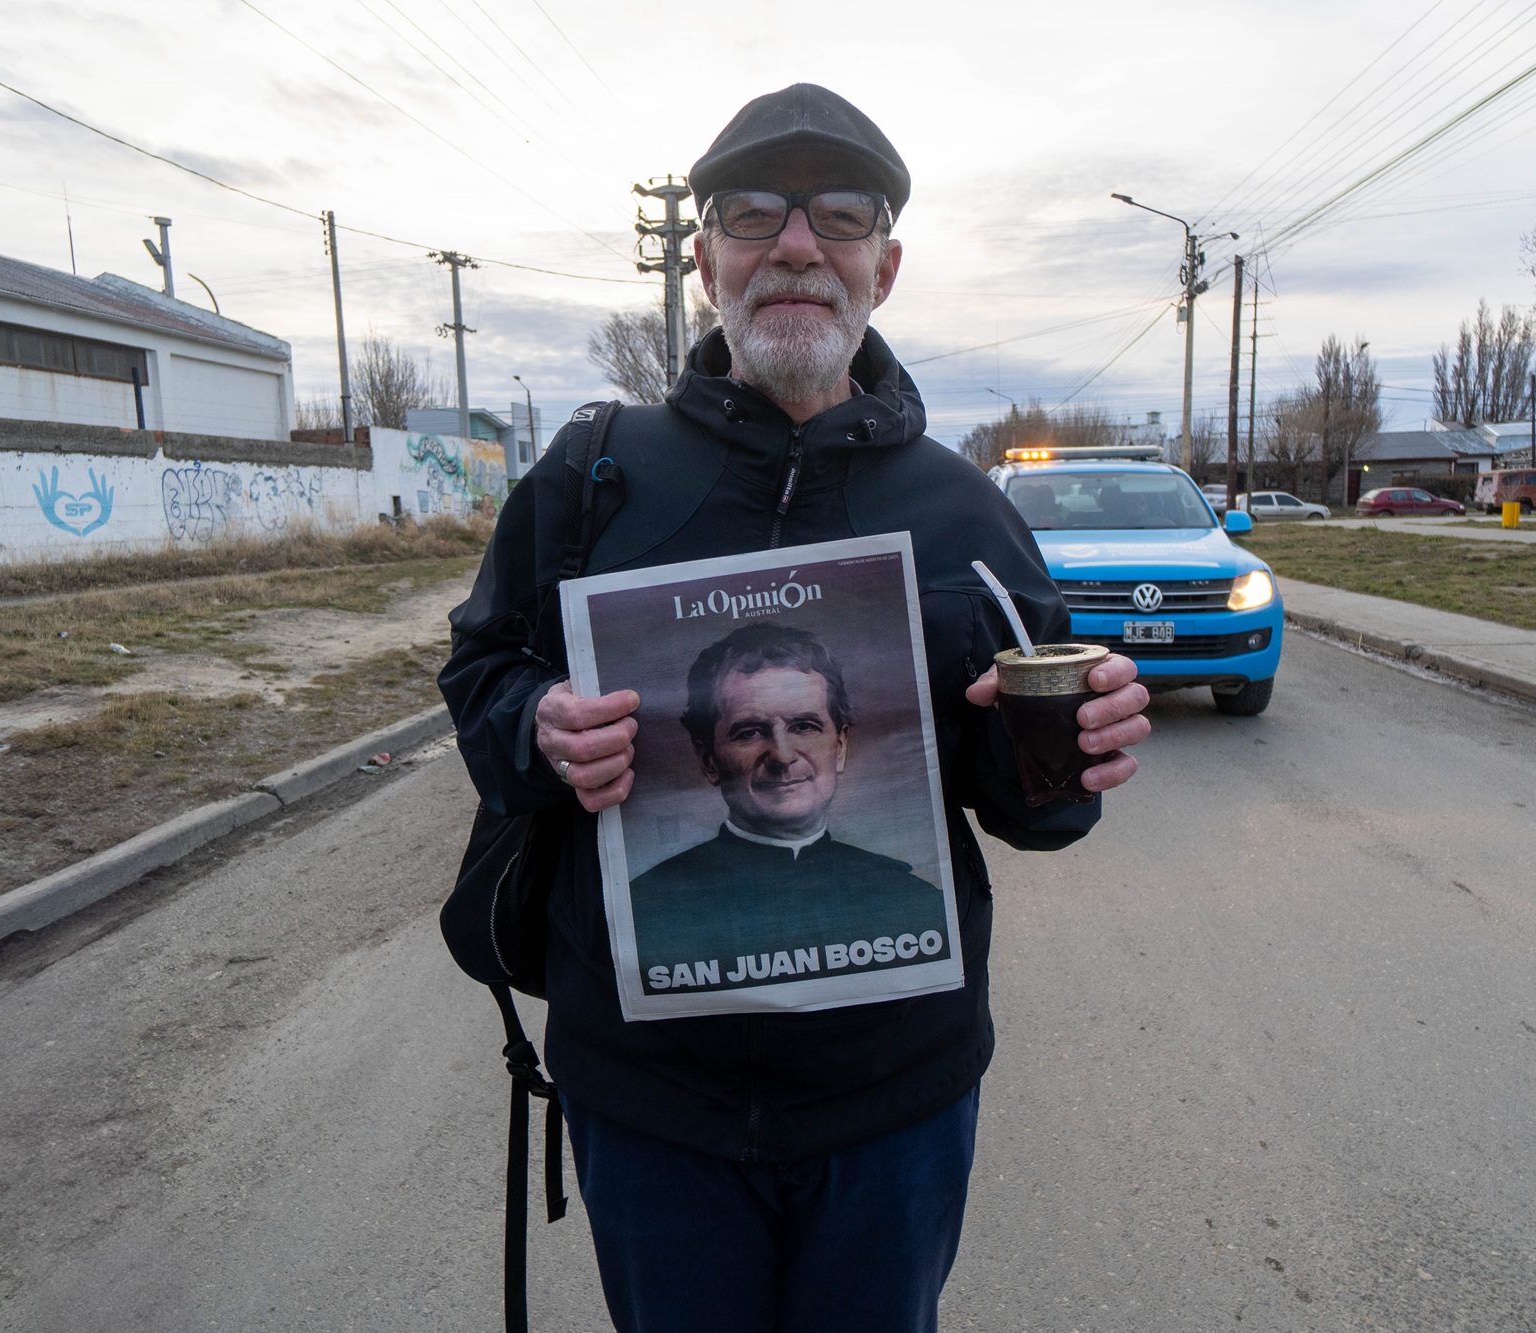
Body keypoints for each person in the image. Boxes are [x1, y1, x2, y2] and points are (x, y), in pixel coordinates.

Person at [441, 83, 1151, 1333]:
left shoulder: (963, 511)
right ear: (703, 253)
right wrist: (538, 722)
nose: (794, 246)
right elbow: (480, 671)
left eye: (838, 215)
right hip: (651, 1101)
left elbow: (1032, 811)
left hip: (891, 1107)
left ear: (886, 262)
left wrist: (1067, 750)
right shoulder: (593, 478)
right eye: (751, 213)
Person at [628, 622, 948, 985]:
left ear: (840, 748)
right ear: (709, 760)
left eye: (805, 727)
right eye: (750, 732)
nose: (782, 755)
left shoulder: (915, 902)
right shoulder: (646, 909)